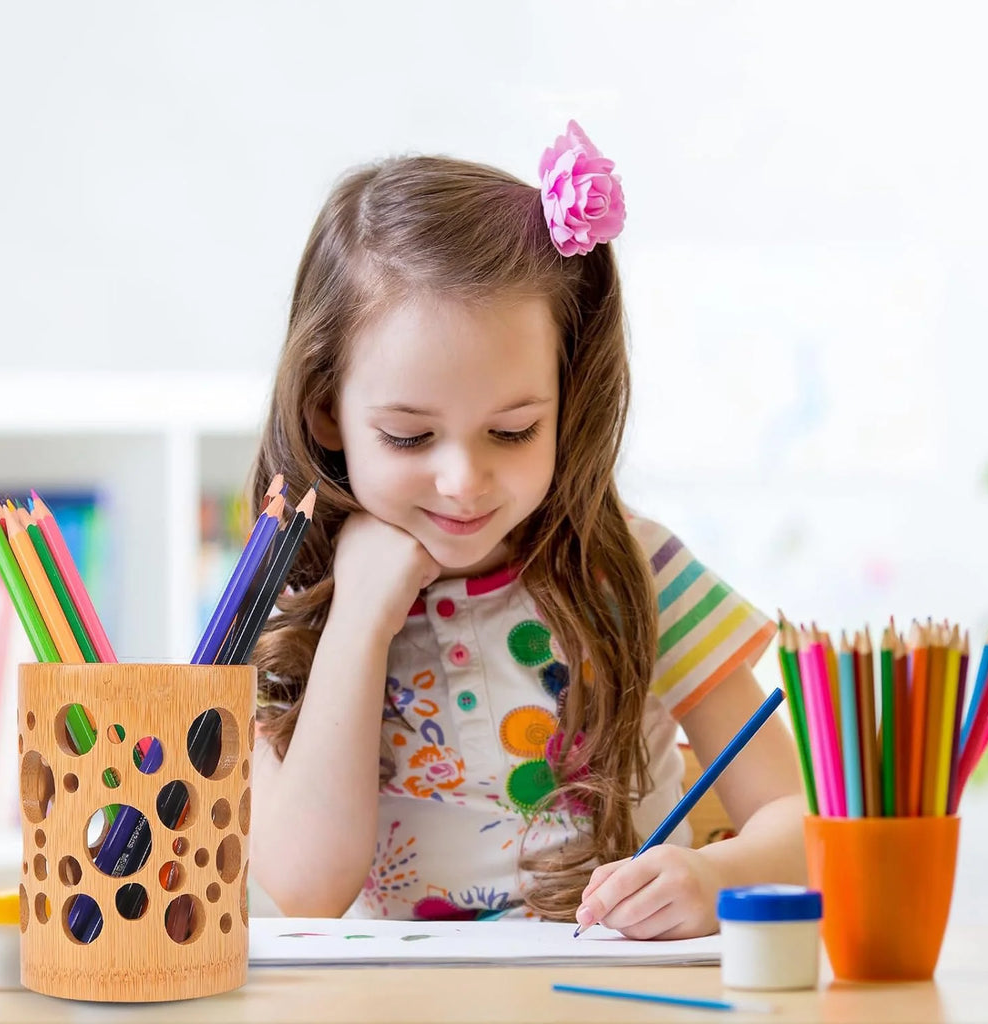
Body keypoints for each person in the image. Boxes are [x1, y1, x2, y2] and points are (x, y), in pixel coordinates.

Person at [249, 121, 806, 939]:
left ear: (567, 398)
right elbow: (306, 888)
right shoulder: (294, 600)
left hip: (608, 987)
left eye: (512, 432)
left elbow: (804, 828)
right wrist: (359, 614)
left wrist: (713, 876)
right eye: (409, 436)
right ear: (325, 408)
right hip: (400, 1000)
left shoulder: (636, 568)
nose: (463, 480)